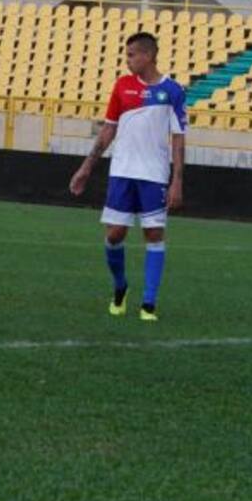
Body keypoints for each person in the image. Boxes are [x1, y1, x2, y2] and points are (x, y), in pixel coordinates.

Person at [68, 32, 186, 322]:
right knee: (114, 234)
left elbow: (179, 138)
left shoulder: (173, 90)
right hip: (121, 173)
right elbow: (108, 129)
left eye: (132, 54)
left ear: (148, 55)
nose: (128, 59)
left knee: (154, 234)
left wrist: (177, 180)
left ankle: (149, 303)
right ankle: (120, 286)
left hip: (155, 176)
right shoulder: (122, 86)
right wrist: (86, 167)